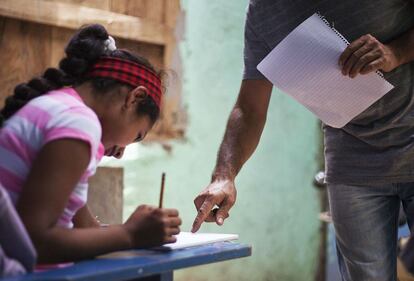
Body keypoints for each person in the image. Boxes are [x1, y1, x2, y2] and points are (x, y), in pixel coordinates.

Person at [192, 1, 414, 280]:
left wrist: (397, 52)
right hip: (351, 159)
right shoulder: (264, 12)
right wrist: (224, 176)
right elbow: (250, 107)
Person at [0, 24, 181, 265]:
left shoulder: (61, 107)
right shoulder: (78, 122)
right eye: (137, 135)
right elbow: (32, 242)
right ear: (134, 97)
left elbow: (85, 225)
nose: (120, 153)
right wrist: (130, 234)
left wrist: (140, 231)